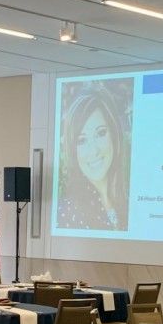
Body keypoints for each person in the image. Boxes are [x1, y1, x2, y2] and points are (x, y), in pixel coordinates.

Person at [57, 79, 131, 231]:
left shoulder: (129, 198)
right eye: (82, 140)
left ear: (114, 134)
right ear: (73, 150)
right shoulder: (67, 212)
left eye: (101, 133)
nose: (93, 150)